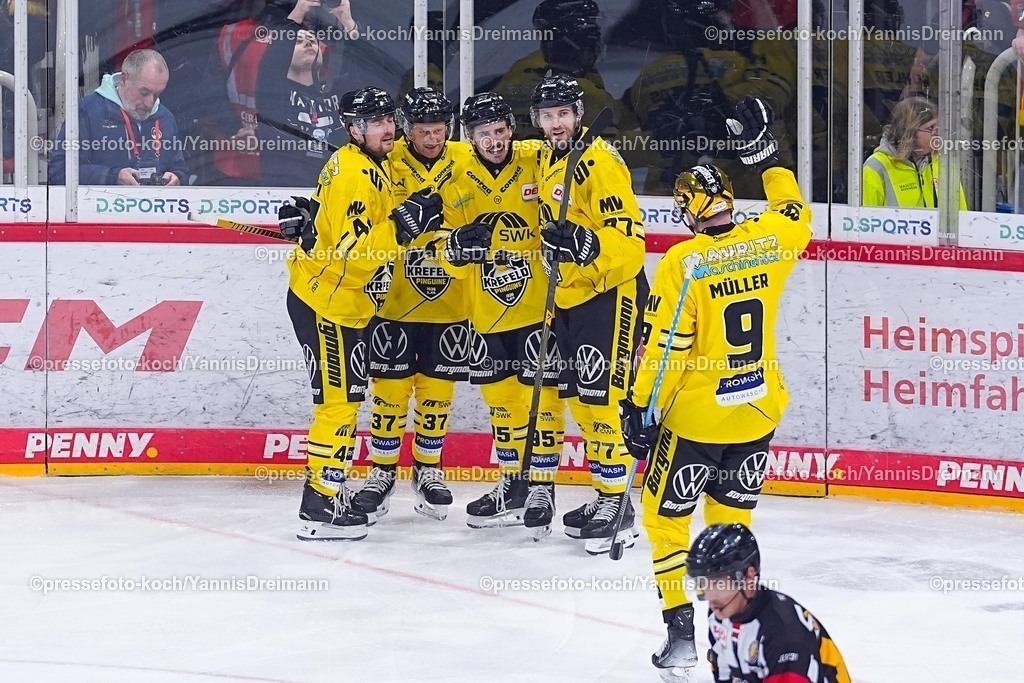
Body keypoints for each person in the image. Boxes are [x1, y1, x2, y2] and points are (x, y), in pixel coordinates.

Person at [619, 95, 812, 678]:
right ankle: (739, 632)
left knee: (665, 519)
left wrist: (638, 407)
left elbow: (667, 346)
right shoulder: (772, 240)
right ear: (728, 199)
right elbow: (795, 211)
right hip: (758, 410)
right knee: (731, 527)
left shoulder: (686, 260)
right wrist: (767, 155)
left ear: (686, 211)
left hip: (698, 418)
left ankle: (681, 632)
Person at [279, 86, 443, 540]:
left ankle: (328, 494)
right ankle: (320, 507)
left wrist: (312, 214)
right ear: (353, 129)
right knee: (338, 404)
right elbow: (355, 251)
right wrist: (404, 225)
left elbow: (336, 222)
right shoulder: (356, 171)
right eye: (375, 122)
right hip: (327, 302)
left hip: (345, 305)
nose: (387, 127)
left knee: (346, 400)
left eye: (389, 118)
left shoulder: (373, 163)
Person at [432, 92, 567, 532]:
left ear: (512, 127)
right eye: (483, 133)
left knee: (542, 399)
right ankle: (513, 484)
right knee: (502, 405)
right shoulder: (455, 179)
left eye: (499, 130)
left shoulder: (537, 159)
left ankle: (543, 486)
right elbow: (442, 250)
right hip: (486, 311)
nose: (493, 141)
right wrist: (455, 247)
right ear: (469, 137)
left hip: (537, 309)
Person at [531, 73, 648, 554]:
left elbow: (633, 243)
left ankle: (619, 502)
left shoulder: (598, 161)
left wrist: (587, 245)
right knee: (583, 401)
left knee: (603, 399)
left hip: (611, 294)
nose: (556, 123)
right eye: (548, 116)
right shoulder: (547, 158)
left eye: (563, 114)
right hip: (570, 296)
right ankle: (606, 493)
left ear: (578, 115)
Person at [349, 87, 473, 524]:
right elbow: (359, 212)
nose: (433, 138)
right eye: (424, 130)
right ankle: (381, 472)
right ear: (406, 127)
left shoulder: (466, 160)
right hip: (393, 301)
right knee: (389, 394)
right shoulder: (384, 162)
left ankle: (429, 469)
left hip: (451, 303)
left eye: (440, 130)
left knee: (437, 395)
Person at [654, 523, 851, 683]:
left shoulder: (784, 635)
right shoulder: (722, 612)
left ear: (748, 576)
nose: (709, 595)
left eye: (718, 583)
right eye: (702, 583)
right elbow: (724, 671)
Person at [49, 49, 189, 186]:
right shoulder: (87, 112)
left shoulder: (165, 117)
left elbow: (181, 169)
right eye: (144, 92)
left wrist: (177, 177)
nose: (150, 103)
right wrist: (113, 177)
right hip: (101, 207)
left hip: (154, 207)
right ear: (124, 79)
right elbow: (59, 172)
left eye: (157, 94)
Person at [255, 27, 345, 186]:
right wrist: (298, 12)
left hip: (337, 189)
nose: (308, 44)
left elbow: (365, 67)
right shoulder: (274, 94)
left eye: (313, 41)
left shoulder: (338, 93)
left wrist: (349, 25)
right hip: (286, 192)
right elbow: (270, 64)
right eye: (298, 41)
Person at [861, 97, 967, 209]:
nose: (938, 133)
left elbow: (961, 214)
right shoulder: (876, 167)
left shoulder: (944, 165)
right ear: (909, 132)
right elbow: (866, 220)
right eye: (931, 128)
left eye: (939, 127)